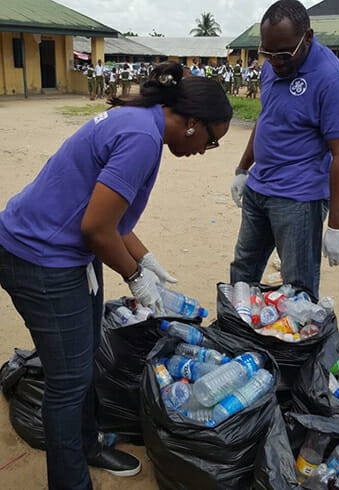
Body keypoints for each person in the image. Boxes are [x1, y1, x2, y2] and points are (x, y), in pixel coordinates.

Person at [0, 62, 232, 490]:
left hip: (65, 253)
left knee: (82, 363)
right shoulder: (142, 137)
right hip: (40, 256)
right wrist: (134, 277)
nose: (207, 149)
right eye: (212, 140)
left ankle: (86, 445)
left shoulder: (144, 126)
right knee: (68, 384)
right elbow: (96, 229)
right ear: (192, 123)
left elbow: (112, 215)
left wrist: (146, 260)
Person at [230, 0, 339, 297]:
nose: (275, 61)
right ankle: (238, 334)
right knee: (242, 272)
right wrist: (243, 169)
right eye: (266, 53)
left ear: (307, 37)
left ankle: (296, 345)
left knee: (298, 287)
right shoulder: (273, 66)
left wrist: (337, 225)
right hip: (259, 190)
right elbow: (266, 118)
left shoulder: (333, 80)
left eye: (283, 53)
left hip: (298, 199)